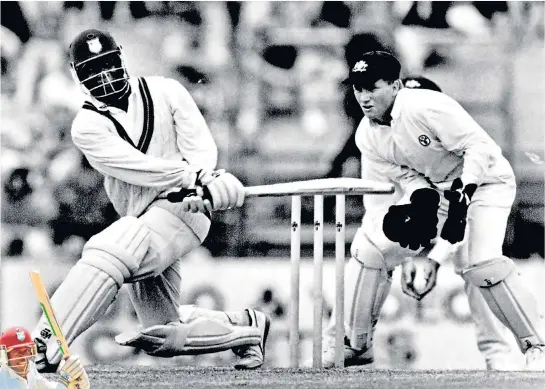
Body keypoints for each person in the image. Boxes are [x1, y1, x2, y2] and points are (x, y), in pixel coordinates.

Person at [31, 28, 270, 372]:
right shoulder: (86, 125)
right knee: (164, 335)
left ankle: (45, 344)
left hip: (184, 210)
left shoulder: (167, 90)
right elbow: (139, 169)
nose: (104, 76)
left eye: (108, 64)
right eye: (92, 71)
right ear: (77, 76)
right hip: (145, 216)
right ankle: (246, 328)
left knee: (117, 243)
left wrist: (204, 175)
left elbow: (201, 147)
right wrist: (194, 176)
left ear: (122, 58)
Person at [321, 51, 545, 370]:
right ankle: (355, 343)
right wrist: (419, 216)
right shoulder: (368, 137)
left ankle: (534, 347)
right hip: (442, 188)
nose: (364, 97)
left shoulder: (427, 107)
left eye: (373, 87)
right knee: (369, 247)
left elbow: (480, 150)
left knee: (480, 263)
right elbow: (393, 197)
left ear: (397, 87)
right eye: (359, 89)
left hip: (486, 182)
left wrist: (435, 254)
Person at [0, 326, 90, 389]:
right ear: (5, 355)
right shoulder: (4, 380)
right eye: (17, 352)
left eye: (26, 350)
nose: (24, 357)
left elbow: (46, 387)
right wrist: (65, 379)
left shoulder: (30, 368)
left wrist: (74, 384)